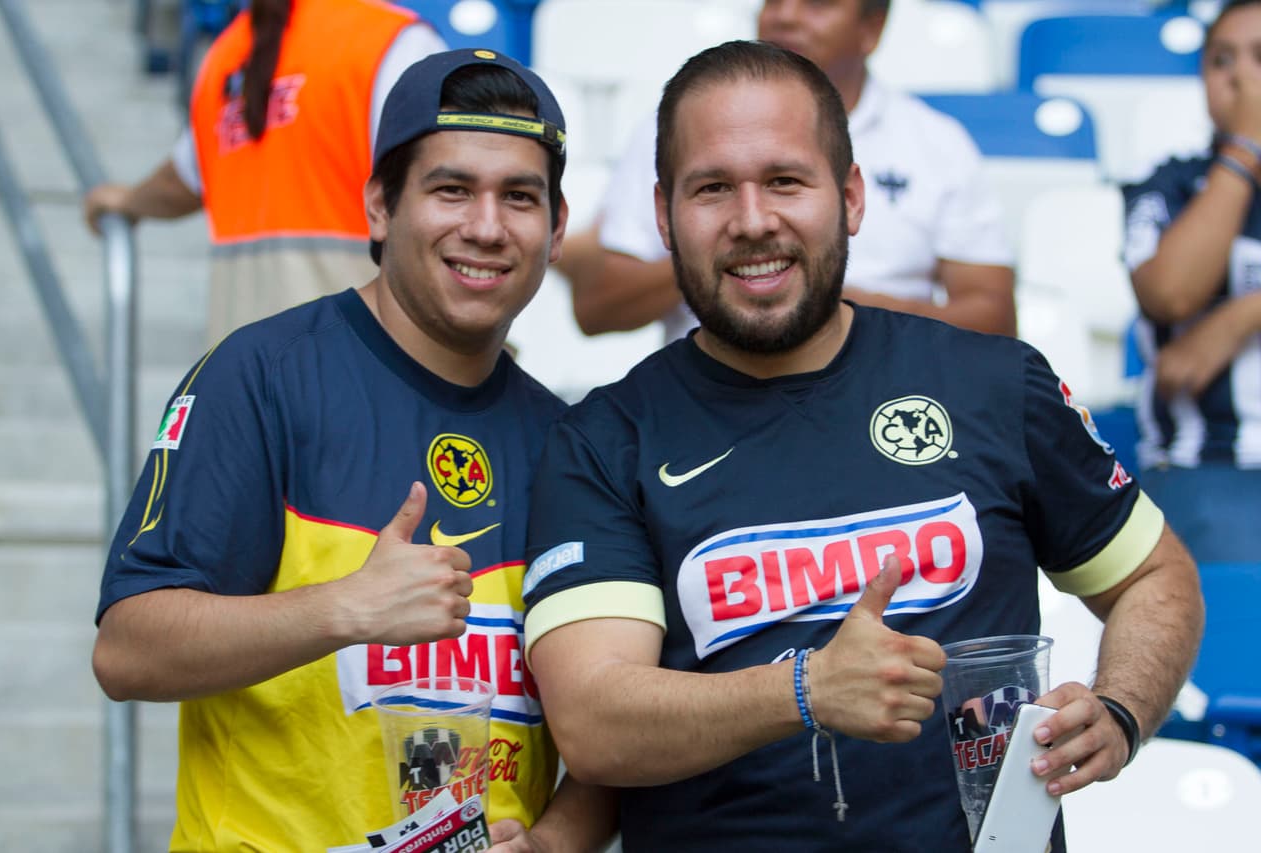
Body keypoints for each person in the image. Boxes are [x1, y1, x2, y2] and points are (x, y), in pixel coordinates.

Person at [521, 41, 1203, 851]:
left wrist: (1120, 709)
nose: (751, 220)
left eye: (785, 180)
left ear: (850, 198)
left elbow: (1157, 578)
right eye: (712, 189)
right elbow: (595, 723)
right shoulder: (605, 438)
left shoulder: (992, 382)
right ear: (665, 214)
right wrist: (805, 690)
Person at [92, 48, 614, 852]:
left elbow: (610, 733)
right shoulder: (263, 375)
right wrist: (345, 610)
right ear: (379, 206)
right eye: (451, 189)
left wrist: (550, 843)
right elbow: (128, 650)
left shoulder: (567, 441)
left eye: (519, 197)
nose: (486, 225)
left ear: (556, 226)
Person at [558, 0, 1015, 344]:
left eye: (817, 3)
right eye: (714, 186)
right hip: (707, 406)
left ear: (871, 29)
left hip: (885, 397)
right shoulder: (686, 126)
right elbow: (599, 307)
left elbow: (995, 322)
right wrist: (738, 263)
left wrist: (831, 299)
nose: (785, 16)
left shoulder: (937, 143)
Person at [83, 0, 446, 344]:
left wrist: (127, 201)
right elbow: (452, 185)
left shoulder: (226, 53)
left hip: (243, 367)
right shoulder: (391, 41)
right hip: (361, 357)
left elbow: (182, 179)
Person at [1122, 0, 1261, 564]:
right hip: (1207, 470)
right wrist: (1246, 148)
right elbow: (1170, 292)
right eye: (1221, 60)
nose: (1240, 76)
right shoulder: (1169, 186)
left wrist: (1240, 316)